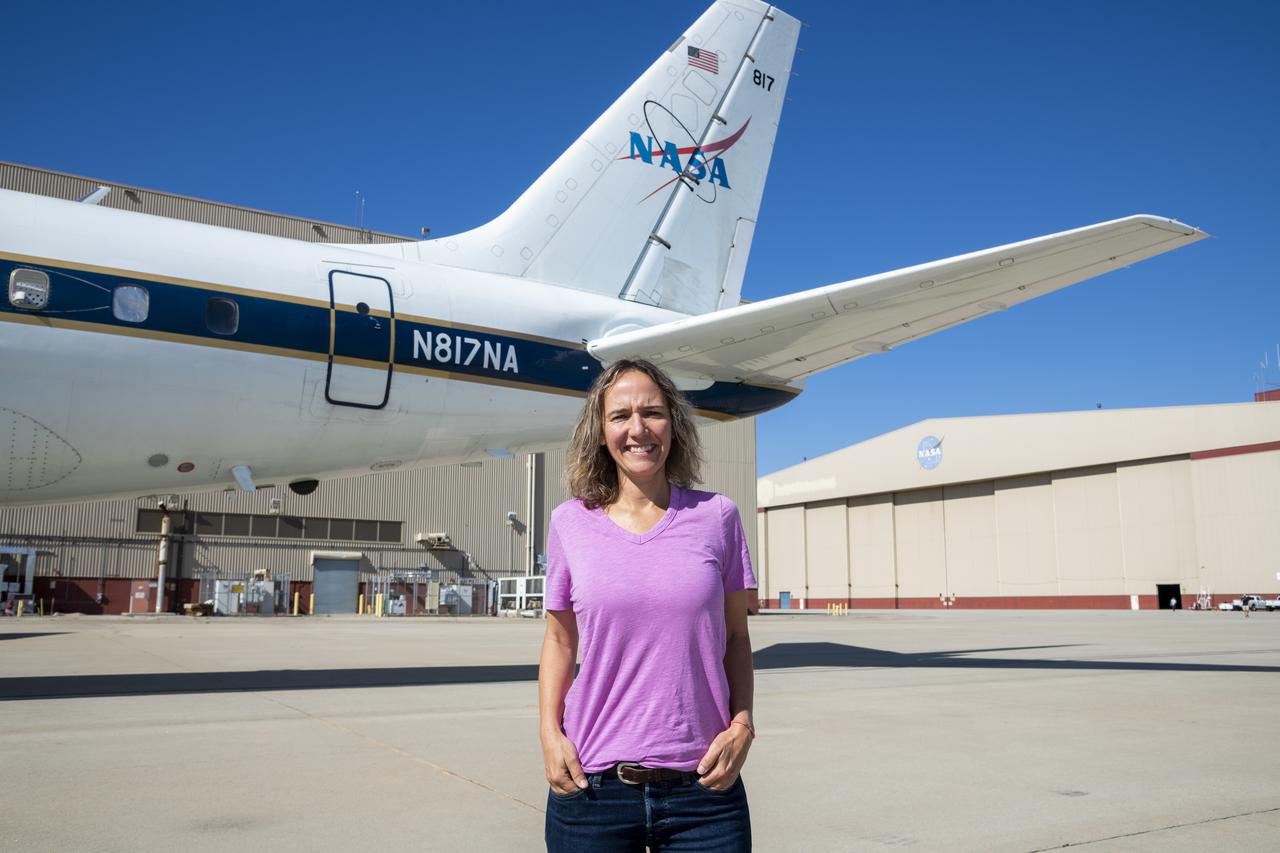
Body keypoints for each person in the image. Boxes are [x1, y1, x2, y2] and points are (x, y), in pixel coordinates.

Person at [538, 359, 756, 852]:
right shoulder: (570, 523)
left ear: (674, 427)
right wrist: (550, 736)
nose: (638, 429)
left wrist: (743, 723)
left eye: (653, 413)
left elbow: (737, 637)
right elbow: (558, 639)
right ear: (600, 432)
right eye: (620, 416)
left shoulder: (717, 517)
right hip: (592, 788)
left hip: (705, 791)